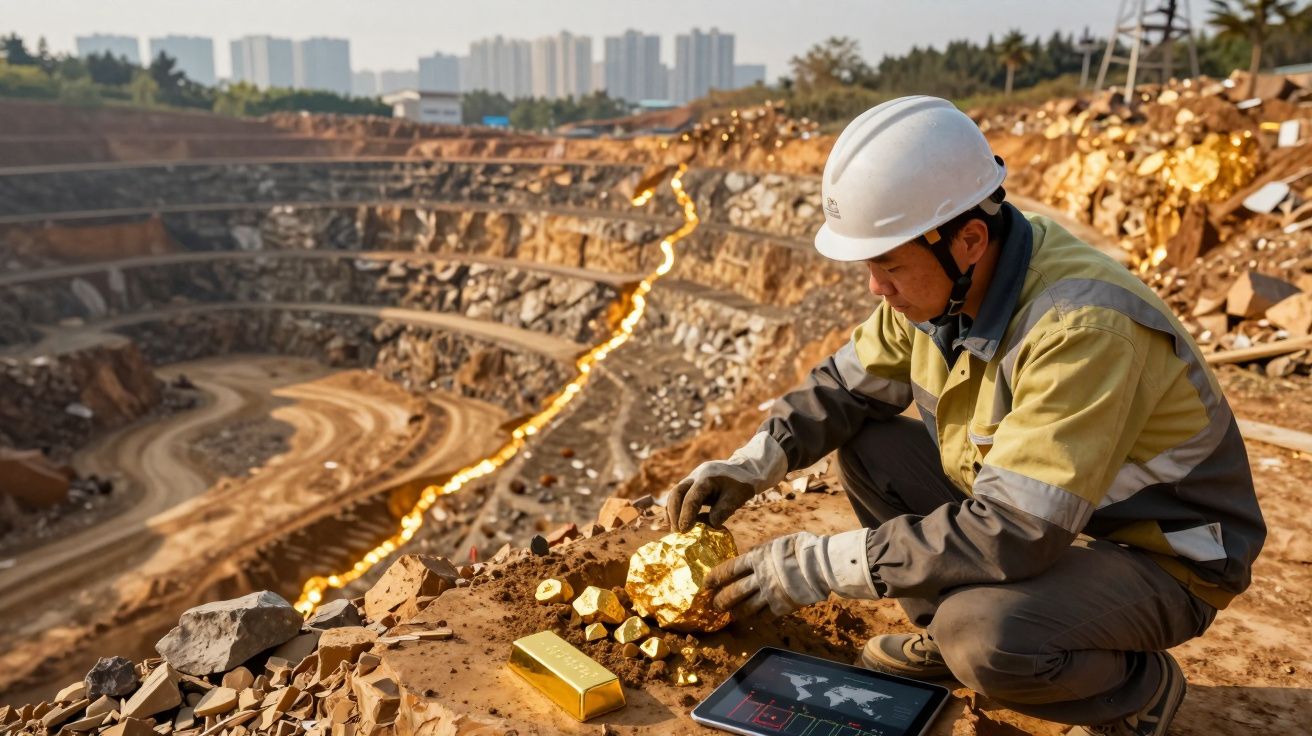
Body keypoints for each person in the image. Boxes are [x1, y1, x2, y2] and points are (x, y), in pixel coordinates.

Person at [666, 96, 1264, 736]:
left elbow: (1017, 528)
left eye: (888, 264)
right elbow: (843, 388)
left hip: (1158, 554)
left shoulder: (1082, 329)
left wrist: (818, 566)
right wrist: (754, 461)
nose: (876, 288)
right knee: (870, 448)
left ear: (969, 239)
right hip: (1057, 521)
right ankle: (949, 633)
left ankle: (1135, 687)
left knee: (985, 636)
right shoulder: (945, 291)